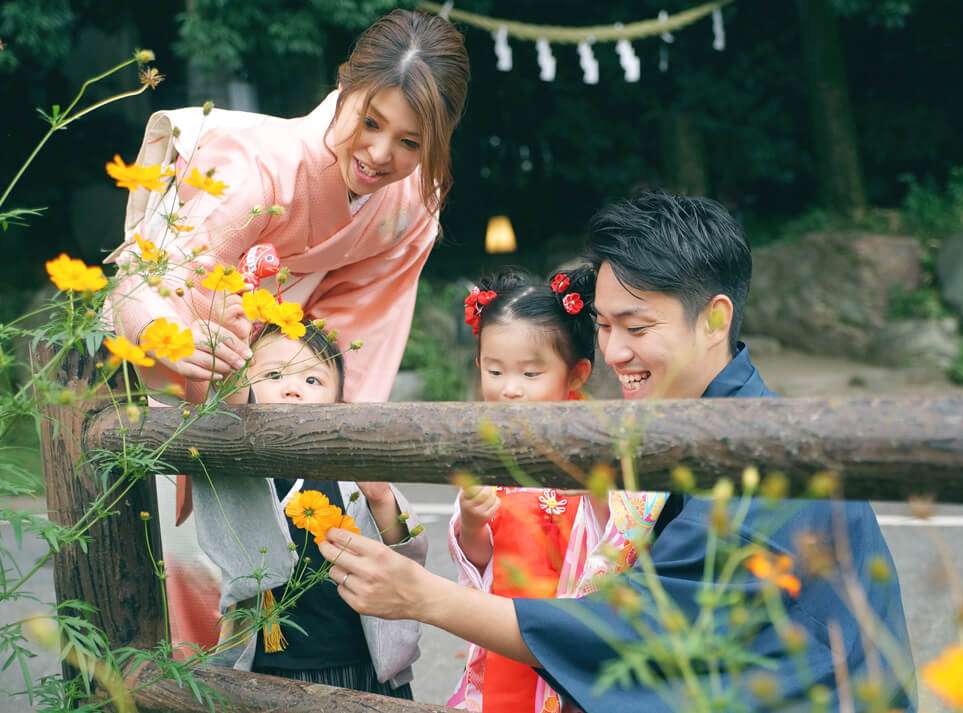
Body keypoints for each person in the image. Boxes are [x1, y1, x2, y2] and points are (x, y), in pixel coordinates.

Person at [318, 192, 916, 712]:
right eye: (604, 327)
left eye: (636, 327)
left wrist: (425, 597)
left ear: (715, 320)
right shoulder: (704, 422)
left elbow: (629, 635)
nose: (615, 353)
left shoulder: (758, 460)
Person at [104, 9, 469, 649]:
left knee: (295, 597)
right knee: (185, 594)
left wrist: (326, 422)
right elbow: (146, 274)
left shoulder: (413, 206)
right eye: (371, 122)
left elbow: (361, 330)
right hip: (188, 363)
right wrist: (176, 337)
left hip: (287, 383)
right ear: (344, 88)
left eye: (411, 143)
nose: (381, 155)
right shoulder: (262, 164)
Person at [446, 266, 668, 711]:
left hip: (574, 623)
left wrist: (601, 493)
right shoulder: (485, 447)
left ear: (576, 373)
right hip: (507, 622)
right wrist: (472, 521)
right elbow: (479, 559)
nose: (510, 390)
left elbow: (625, 534)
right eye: (495, 370)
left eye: (530, 374)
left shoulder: (600, 442)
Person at [191, 318, 426, 696]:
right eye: (273, 374)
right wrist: (231, 344)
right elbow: (228, 405)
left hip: (359, 660)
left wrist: (381, 499)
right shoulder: (243, 469)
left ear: (339, 403)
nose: (293, 390)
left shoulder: (349, 468)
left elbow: (406, 546)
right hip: (270, 663)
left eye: (312, 380)